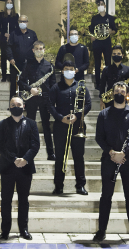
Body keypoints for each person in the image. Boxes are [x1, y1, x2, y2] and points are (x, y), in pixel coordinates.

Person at [94, 81, 129, 244]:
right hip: (109, 160)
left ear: (126, 94)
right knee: (106, 197)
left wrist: (123, 153)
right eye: (116, 90)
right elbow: (99, 137)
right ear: (112, 93)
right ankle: (101, 231)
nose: (119, 92)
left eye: (122, 90)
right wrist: (112, 153)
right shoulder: (103, 114)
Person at [0, 96, 40, 241]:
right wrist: (14, 159)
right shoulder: (2, 124)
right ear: (9, 107)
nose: (16, 106)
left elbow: (35, 145)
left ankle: (23, 229)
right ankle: (5, 230)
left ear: (24, 106)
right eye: (13, 104)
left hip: (25, 168)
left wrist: (25, 159)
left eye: (18, 104)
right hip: (8, 167)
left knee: (24, 200)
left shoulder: (32, 124)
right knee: (6, 200)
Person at [48, 61, 92, 196]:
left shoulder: (81, 86)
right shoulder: (56, 87)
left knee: (79, 157)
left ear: (75, 70)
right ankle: (59, 186)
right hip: (61, 126)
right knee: (60, 157)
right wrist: (61, 117)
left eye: (71, 69)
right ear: (62, 71)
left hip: (77, 125)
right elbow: (50, 105)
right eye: (66, 69)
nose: (69, 71)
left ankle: (80, 186)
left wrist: (77, 116)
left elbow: (88, 104)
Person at [19, 40, 56, 160]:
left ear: (44, 50)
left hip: (45, 98)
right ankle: (28, 152)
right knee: (29, 125)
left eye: (41, 48)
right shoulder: (28, 64)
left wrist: (52, 102)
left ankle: (50, 153)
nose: (39, 51)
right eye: (37, 49)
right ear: (33, 50)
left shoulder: (49, 66)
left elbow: (54, 85)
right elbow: (21, 81)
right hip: (32, 98)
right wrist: (30, 89)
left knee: (46, 126)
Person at [6, 14, 38, 99]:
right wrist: (10, 58)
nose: (22, 23)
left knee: (28, 84)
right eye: (20, 21)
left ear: (27, 22)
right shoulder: (13, 34)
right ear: (18, 22)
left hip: (29, 64)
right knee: (13, 84)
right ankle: (12, 103)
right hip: (15, 64)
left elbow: (36, 47)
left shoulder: (32, 34)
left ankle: (28, 104)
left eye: (24, 21)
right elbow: (8, 46)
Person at [88, 0, 117, 87]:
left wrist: (111, 31)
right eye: (98, 4)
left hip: (107, 42)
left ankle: (108, 82)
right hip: (97, 43)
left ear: (105, 5)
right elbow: (91, 30)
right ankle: (98, 83)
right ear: (97, 7)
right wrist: (92, 36)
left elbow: (115, 30)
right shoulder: (94, 18)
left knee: (108, 62)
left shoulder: (110, 18)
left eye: (101, 4)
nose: (100, 6)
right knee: (97, 63)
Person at [99, 44, 129, 109]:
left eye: (118, 54)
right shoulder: (106, 70)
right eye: (114, 54)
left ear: (122, 55)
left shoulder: (128, 70)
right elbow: (102, 86)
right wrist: (102, 102)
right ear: (112, 55)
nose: (116, 55)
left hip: (124, 101)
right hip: (109, 101)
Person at [0, 0, 19, 81]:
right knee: (3, 58)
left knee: (12, 57)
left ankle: (12, 76)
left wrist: (12, 35)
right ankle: (4, 76)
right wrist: (4, 33)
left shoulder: (16, 15)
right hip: (3, 38)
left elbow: (17, 27)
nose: (9, 4)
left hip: (12, 39)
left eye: (11, 3)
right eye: (8, 2)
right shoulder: (1, 14)